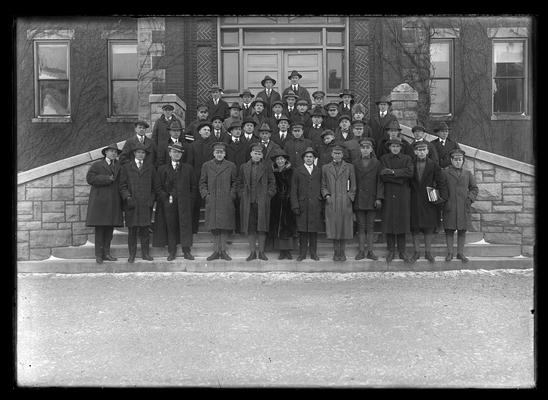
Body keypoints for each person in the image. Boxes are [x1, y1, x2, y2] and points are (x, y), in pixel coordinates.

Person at [153, 142, 196, 261]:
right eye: (174, 152)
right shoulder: (162, 169)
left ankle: (186, 251)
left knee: (185, 227)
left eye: (179, 152)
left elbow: (193, 187)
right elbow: (158, 187)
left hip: (184, 204)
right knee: (171, 227)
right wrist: (165, 199)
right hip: (169, 204)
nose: (177, 154)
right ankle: (172, 251)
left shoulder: (188, 168)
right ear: (170, 153)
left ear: (182, 155)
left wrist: (189, 201)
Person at [409, 141, 448, 263]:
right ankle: (416, 252)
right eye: (418, 150)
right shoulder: (410, 164)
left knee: (428, 227)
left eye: (423, 150)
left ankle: (428, 252)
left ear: (427, 151)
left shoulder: (434, 165)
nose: (421, 152)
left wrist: (442, 197)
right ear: (415, 152)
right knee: (414, 227)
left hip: (429, 199)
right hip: (413, 198)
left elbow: (441, 182)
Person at [199, 142, 238, 261]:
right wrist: (206, 195)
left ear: (225, 153)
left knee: (224, 226)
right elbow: (202, 182)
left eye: (221, 152)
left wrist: (231, 195)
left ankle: (223, 251)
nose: (219, 154)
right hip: (213, 200)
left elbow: (235, 182)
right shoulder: (206, 165)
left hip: (226, 200)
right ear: (213, 153)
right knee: (214, 227)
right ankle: (216, 251)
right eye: (217, 152)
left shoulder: (231, 166)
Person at [119, 143, 157, 263]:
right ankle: (132, 254)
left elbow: (155, 186)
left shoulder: (150, 167)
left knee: (145, 231)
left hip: (145, 204)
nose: (141, 154)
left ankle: (145, 254)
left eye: (143, 153)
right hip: (132, 204)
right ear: (134, 153)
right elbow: (122, 186)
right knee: (132, 231)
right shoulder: (127, 167)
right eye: (139, 152)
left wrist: (151, 200)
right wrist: (128, 198)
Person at [85, 143, 123, 264]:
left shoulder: (119, 166)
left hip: (113, 202)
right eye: (111, 151)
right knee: (100, 230)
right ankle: (98, 255)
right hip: (100, 203)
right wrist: (106, 179)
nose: (113, 153)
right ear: (105, 152)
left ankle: (107, 253)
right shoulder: (97, 165)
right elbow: (90, 179)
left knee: (109, 230)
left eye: (115, 152)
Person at [238, 144, 276, 261]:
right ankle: (252, 252)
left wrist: (268, 195)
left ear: (262, 155)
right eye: (255, 153)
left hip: (262, 202)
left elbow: (272, 183)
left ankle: (262, 252)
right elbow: (239, 182)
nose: (257, 155)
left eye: (259, 154)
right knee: (250, 227)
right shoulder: (244, 167)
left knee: (262, 227)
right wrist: (242, 194)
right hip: (248, 202)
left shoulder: (266, 167)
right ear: (251, 154)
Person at [379, 138, 414, 264]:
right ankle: (391, 250)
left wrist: (393, 172)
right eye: (393, 146)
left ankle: (402, 251)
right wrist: (400, 178)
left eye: (397, 146)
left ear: (400, 147)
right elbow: (383, 175)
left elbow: (410, 173)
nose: (395, 148)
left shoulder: (407, 159)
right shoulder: (384, 159)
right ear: (389, 147)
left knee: (402, 222)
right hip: (388, 193)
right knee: (389, 222)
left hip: (402, 194)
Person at [441, 149, 478, 263]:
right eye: (455, 160)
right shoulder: (445, 172)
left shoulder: (467, 174)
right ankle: (450, 253)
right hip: (450, 205)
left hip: (463, 206)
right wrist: (443, 201)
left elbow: (474, 188)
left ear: (463, 161)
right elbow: (440, 187)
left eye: (460, 160)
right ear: (451, 160)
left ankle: (460, 253)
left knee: (462, 230)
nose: (458, 162)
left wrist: (470, 198)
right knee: (449, 230)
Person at [321, 145, 356, 261]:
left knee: (344, 227)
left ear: (342, 155)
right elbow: (323, 185)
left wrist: (350, 197)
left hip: (344, 200)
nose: (337, 155)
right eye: (335, 153)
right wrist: (326, 195)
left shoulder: (349, 167)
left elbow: (353, 185)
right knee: (333, 227)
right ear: (331, 154)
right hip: (332, 201)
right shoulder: (325, 168)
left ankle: (343, 252)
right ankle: (336, 252)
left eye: (339, 153)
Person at [352, 138, 384, 260]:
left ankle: (370, 251)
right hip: (359, 199)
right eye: (363, 148)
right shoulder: (355, 163)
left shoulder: (377, 163)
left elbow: (380, 182)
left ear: (371, 149)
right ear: (360, 149)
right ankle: (361, 251)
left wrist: (379, 198)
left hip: (372, 199)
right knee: (361, 226)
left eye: (367, 148)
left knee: (370, 226)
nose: (365, 150)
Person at [291, 147, 323, 261]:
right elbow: (294, 189)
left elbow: (322, 186)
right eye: (307, 157)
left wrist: (321, 202)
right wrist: (295, 205)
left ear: (314, 158)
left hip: (315, 204)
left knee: (313, 230)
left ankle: (314, 253)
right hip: (302, 204)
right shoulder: (298, 170)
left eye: (311, 157)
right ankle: (302, 253)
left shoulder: (319, 170)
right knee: (303, 230)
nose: (309, 159)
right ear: (303, 158)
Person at [186, 121, 215, 233]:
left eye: (208, 130)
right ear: (199, 132)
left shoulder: (213, 146)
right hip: (197, 178)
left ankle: (211, 228)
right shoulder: (193, 146)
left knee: (211, 203)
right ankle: (194, 229)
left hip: (211, 178)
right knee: (195, 204)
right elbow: (189, 164)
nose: (207, 132)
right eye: (205, 130)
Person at [269, 148, 295, 260]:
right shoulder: (273, 173)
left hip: (288, 202)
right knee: (277, 225)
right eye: (278, 159)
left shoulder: (291, 172)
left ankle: (288, 251)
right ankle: (281, 250)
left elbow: (294, 186)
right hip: (276, 202)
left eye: (282, 159)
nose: (280, 161)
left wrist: (289, 196)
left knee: (288, 225)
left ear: (285, 160)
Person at [225, 120, 248, 234]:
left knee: (241, 203)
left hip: (242, 178)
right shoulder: (227, 146)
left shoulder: (245, 146)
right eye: (235, 130)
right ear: (231, 132)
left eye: (239, 129)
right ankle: (229, 228)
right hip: (230, 178)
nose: (238, 131)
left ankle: (240, 228)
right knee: (229, 203)